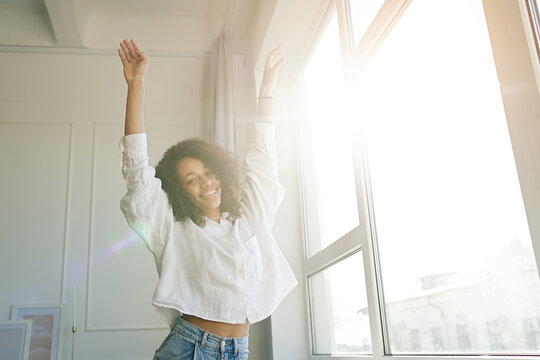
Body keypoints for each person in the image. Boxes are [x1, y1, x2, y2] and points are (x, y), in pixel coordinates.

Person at [117, 39, 297, 360]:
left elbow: (264, 158)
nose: (207, 183)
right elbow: (137, 173)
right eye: (192, 180)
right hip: (189, 348)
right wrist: (136, 84)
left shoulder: (249, 218)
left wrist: (266, 88)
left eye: (208, 173)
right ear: (179, 191)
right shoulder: (173, 228)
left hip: (239, 350)